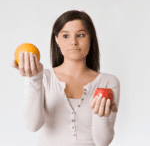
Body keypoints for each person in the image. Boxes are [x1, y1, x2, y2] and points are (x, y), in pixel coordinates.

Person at [11, 10, 120, 146]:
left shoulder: (108, 82)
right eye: (66, 36)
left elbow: (102, 142)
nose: (73, 42)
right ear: (57, 39)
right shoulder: (43, 77)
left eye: (80, 35)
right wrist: (33, 79)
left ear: (90, 38)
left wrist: (101, 115)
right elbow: (32, 125)